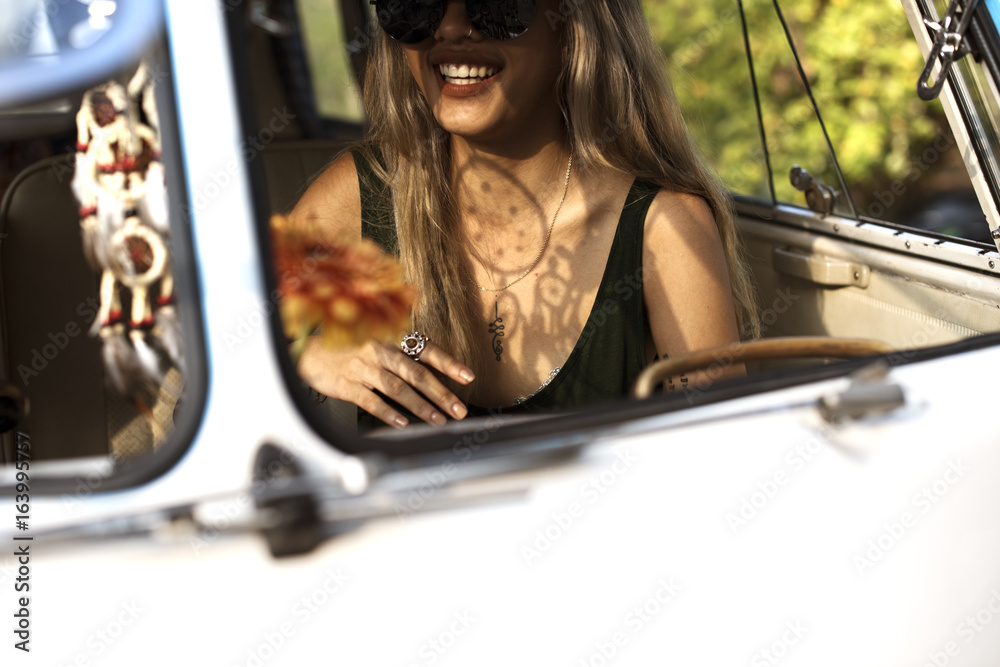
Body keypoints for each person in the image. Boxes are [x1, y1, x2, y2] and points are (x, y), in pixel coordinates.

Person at [291, 0, 759, 430]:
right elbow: (227, 335)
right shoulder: (361, 195)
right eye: (417, 1)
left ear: (578, 23)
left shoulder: (664, 229)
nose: (450, 27)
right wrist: (303, 356)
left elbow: (721, 458)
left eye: (494, 2)